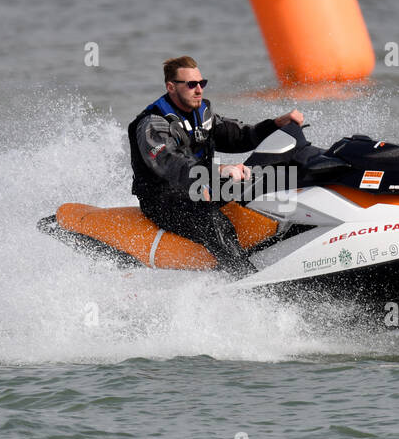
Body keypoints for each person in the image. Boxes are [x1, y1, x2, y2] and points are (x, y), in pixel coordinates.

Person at [128, 56, 303, 276]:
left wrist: (275, 125)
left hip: (202, 185)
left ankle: (293, 247)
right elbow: (171, 163)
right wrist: (217, 171)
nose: (199, 89)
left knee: (270, 178)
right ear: (171, 87)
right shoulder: (153, 124)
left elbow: (238, 136)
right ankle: (246, 280)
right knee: (214, 223)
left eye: (202, 83)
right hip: (165, 200)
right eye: (191, 85)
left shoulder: (201, 114)